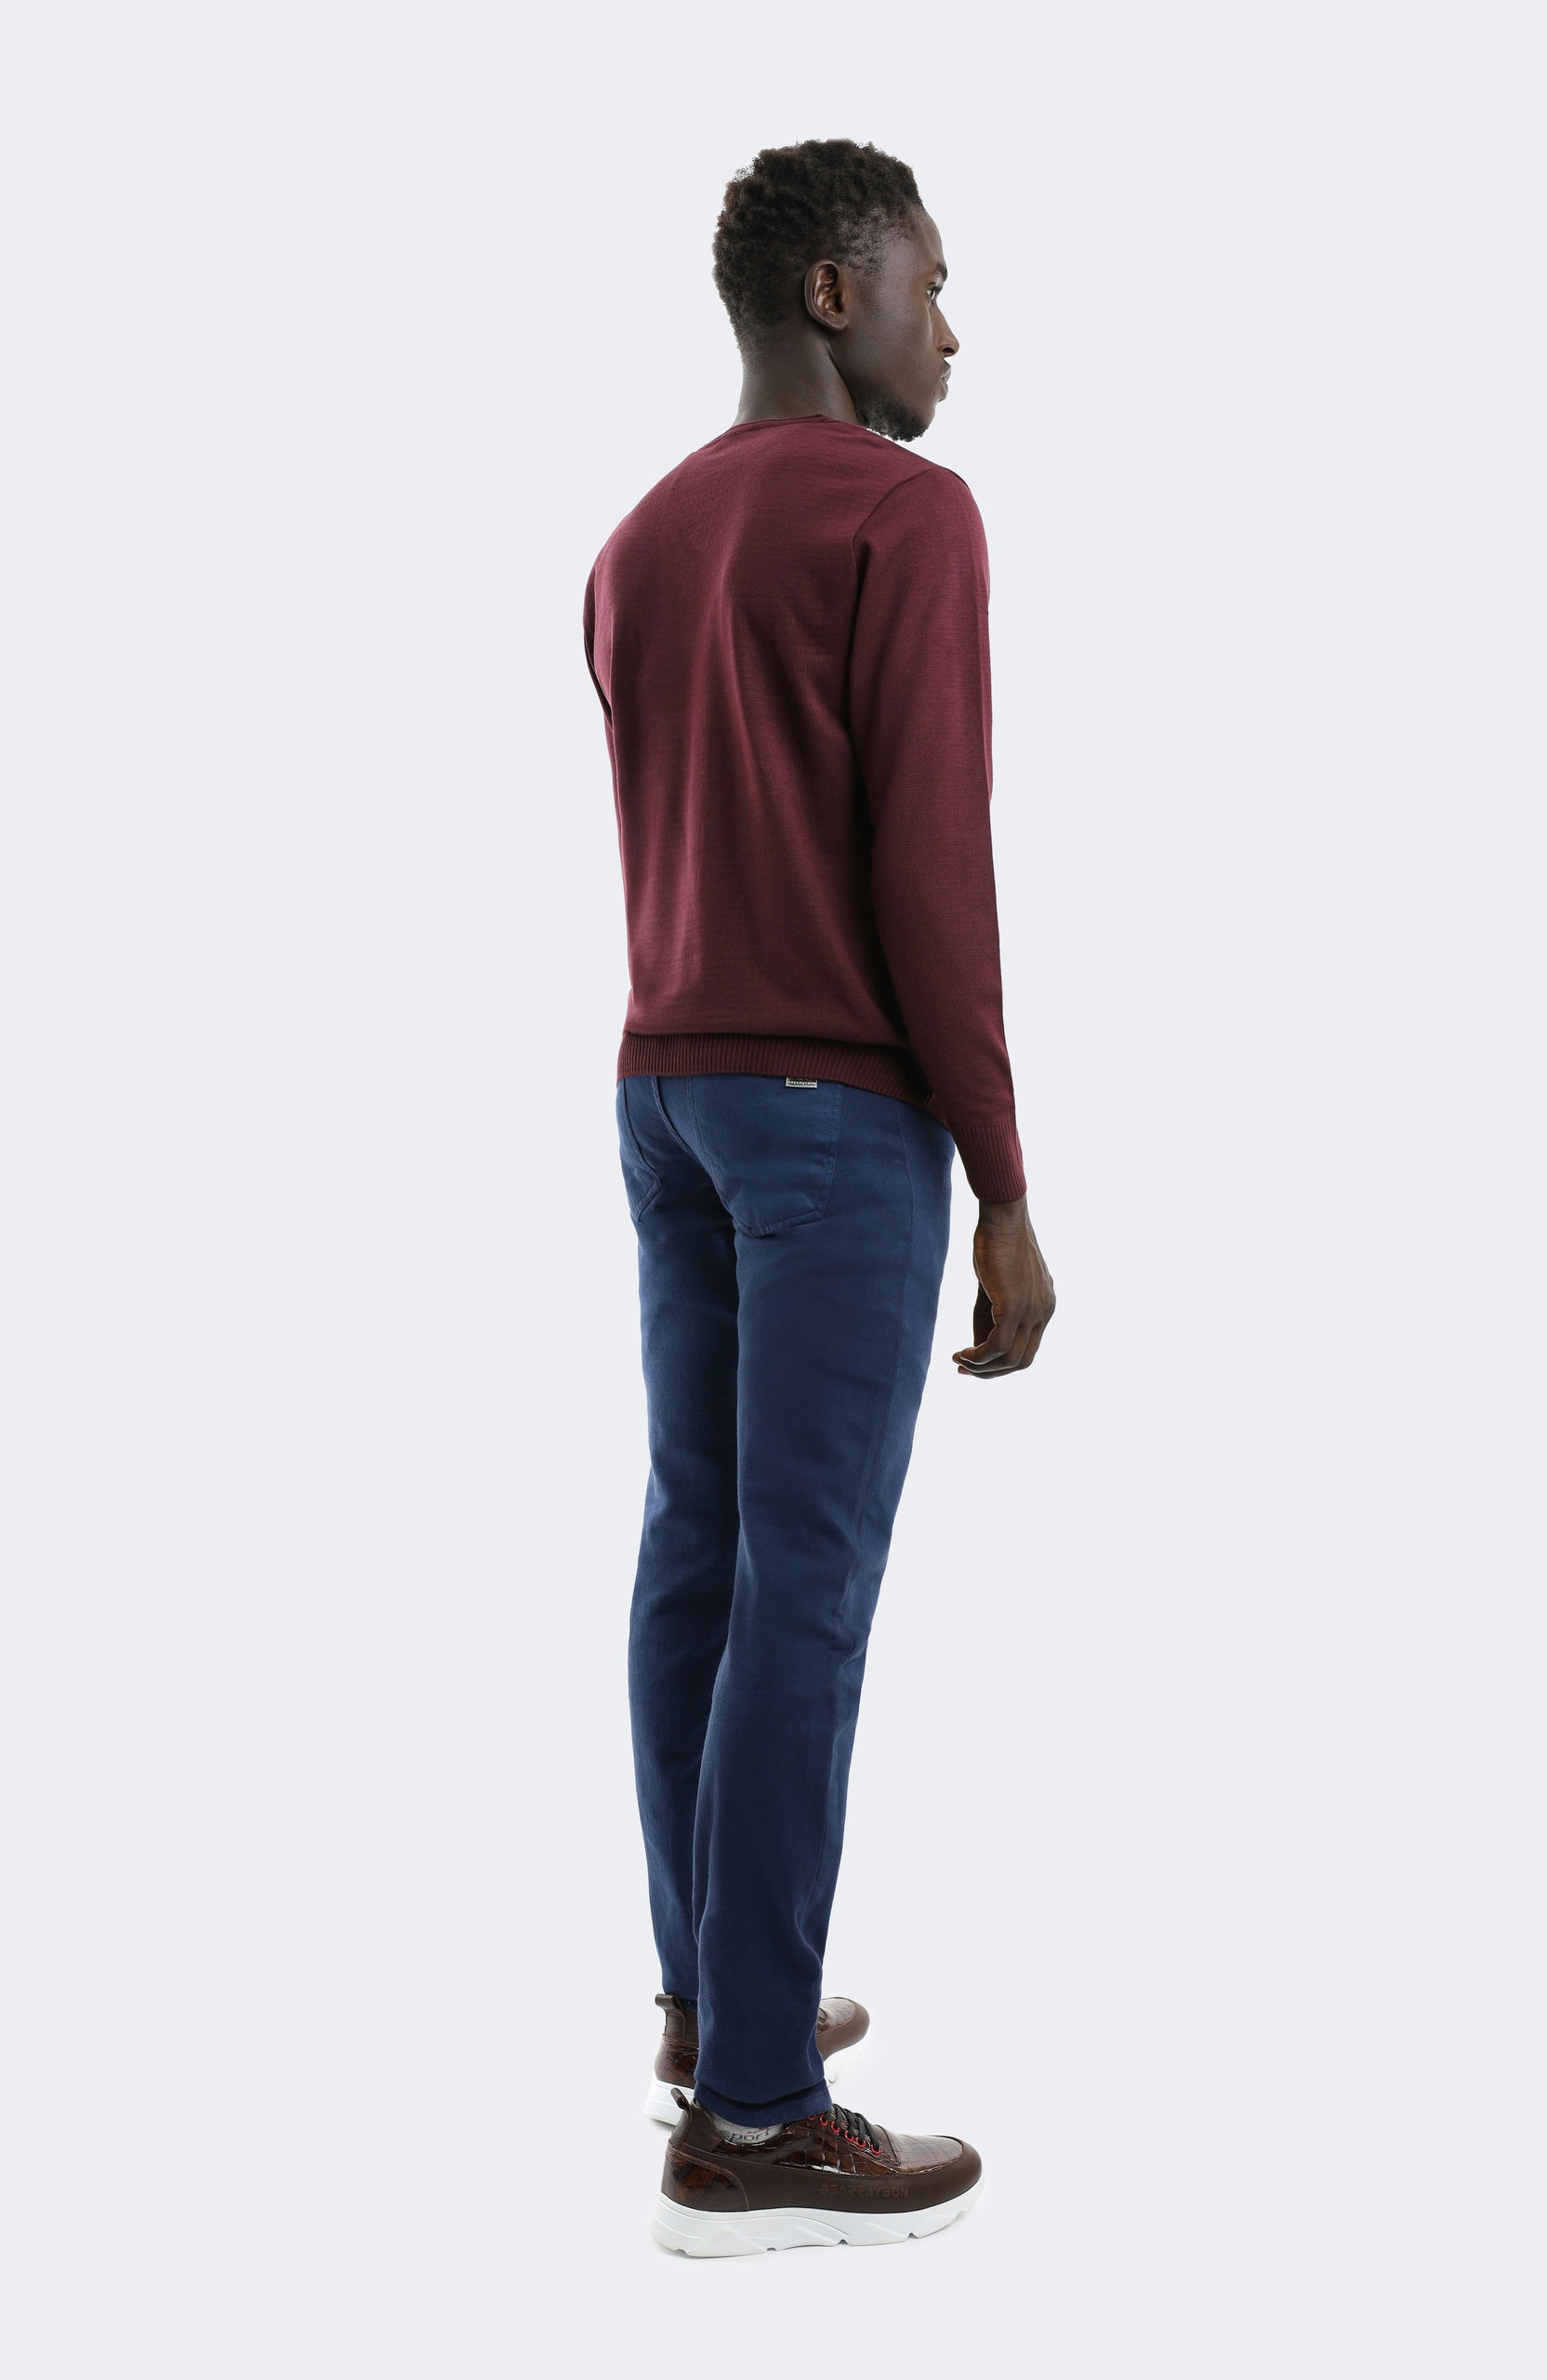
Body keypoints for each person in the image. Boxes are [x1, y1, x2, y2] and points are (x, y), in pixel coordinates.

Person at [584, 138, 1055, 2256]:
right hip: (830, 1115)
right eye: (930, 283)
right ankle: (760, 2120)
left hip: (663, 1087)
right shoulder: (900, 513)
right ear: (831, 289)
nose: (954, 329)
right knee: (808, 1587)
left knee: (698, 1549)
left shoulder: (637, 537)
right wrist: (1004, 1184)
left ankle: (713, 2002)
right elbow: (928, 867)